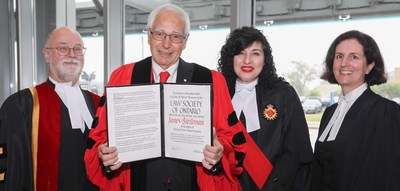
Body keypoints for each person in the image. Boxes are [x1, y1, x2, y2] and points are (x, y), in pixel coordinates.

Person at [84, 4, 271, 191]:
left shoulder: (210, 81)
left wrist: (220, 151)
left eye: (175, 36)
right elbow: (100, 136)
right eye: (159, 34)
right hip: (137, 182)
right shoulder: (122, 78)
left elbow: (232, 139)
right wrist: (104, 153)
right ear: (148, 36)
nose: (166, 44)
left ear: (185, 41)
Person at [0, 26, 100, 190]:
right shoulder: (22, 106)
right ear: (46, 54)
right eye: (62, 48)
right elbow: (12, 171)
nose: (72, 54)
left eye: (78, 49)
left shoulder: (99, 104)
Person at [217, 26, 313, 191]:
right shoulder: (218, 94)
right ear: (230, 58)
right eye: (240, 53)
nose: (247, 61)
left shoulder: (283, 94)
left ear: (265, 59)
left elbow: (294, 151)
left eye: (255, 53)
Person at [311, 30, 400, 190]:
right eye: (339, 56)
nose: (344, 63)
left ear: (369, 66)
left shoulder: (385, 112)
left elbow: (392, 175)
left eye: (354, 57)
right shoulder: (329, 113)